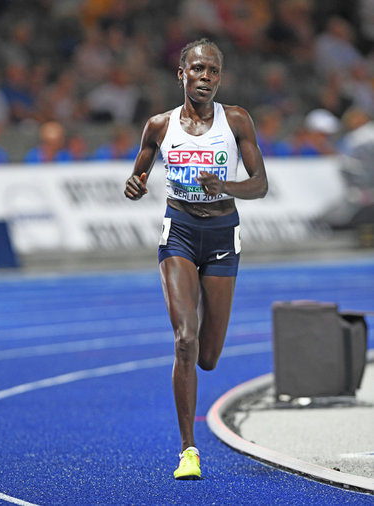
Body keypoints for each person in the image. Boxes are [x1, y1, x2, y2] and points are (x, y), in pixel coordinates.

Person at [124, 38, 268, 480]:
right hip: (180, 233)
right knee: (184, 340)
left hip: (223, 236)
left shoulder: (237, 120)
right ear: (181, 74)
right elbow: (139, 172)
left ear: (219, 78)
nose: (205, 78)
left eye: (213, 72)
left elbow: (260, 184)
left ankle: (202, 335)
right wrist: (135, 184)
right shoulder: (159, 126)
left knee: (207, 357)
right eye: (197, 70)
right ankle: (189, 451)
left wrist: (224, 185)